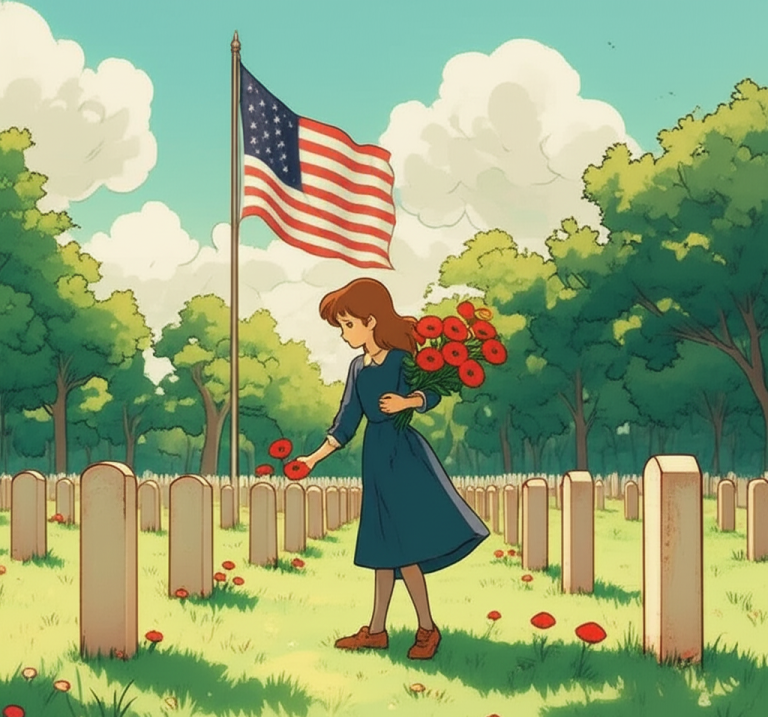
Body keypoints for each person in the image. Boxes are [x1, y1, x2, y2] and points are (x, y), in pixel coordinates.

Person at [295, 277, 489, 660]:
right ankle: (377, 630)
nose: (344, 333)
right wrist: (312, 459)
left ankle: (427, 629)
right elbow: (346, 421)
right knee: (381, 545)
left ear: (371, 320)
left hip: (405, 456)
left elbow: (431, 392)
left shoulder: (402, 358)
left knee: (405, 548)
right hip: (376, 457)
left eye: (348, 324)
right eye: (341, 326)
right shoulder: (357, 368)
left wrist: (407, 401)